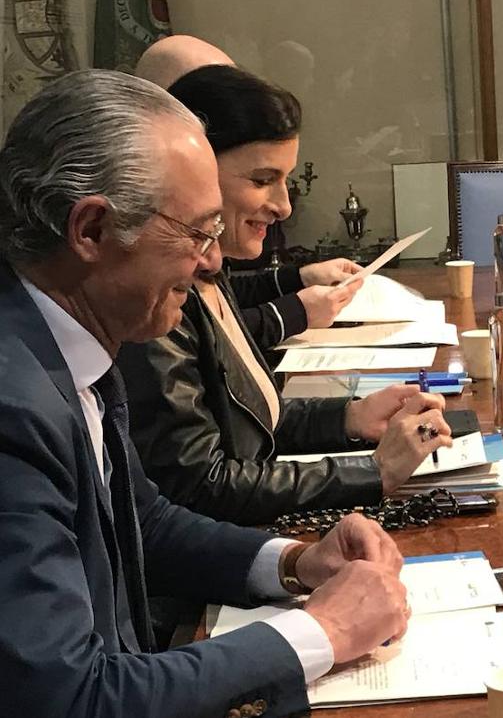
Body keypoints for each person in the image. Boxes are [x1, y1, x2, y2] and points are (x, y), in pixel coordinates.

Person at [0, 69, 415, 717]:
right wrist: (323, 632)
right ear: (92, 231)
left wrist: (299, 563)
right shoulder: (12, 407)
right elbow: (72, 696)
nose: (215, 262)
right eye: (197, 233)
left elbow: (145, 522)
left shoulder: (73, 335)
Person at [119, 65, 453, 525]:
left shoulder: (211, 274)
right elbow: (199, 485)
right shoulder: (156, 303)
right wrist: (373, 471)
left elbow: (251, 421)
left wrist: (350, 418)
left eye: (285, 180)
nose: (285, 205)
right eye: (261, 180)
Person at [135, 35, 359, 350]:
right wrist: (293, 312)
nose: (284, 209)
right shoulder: (144, 284)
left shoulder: (203, 262)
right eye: (262, 180)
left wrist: (297, 279)